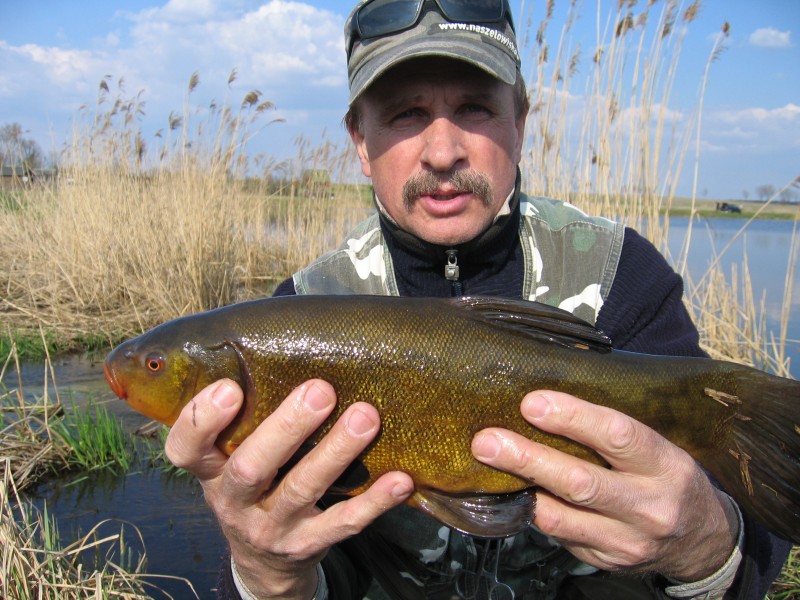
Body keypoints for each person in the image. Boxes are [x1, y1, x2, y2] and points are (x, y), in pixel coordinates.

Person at [165, 1, 791, 598]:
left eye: (474, 108)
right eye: (406, 114)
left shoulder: (621, 278)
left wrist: (708, 544)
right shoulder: (299, 310)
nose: (443, 152)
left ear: (520, 122)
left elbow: (747, 543)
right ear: (360, 139)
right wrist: (264, 571)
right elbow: (311, 573)